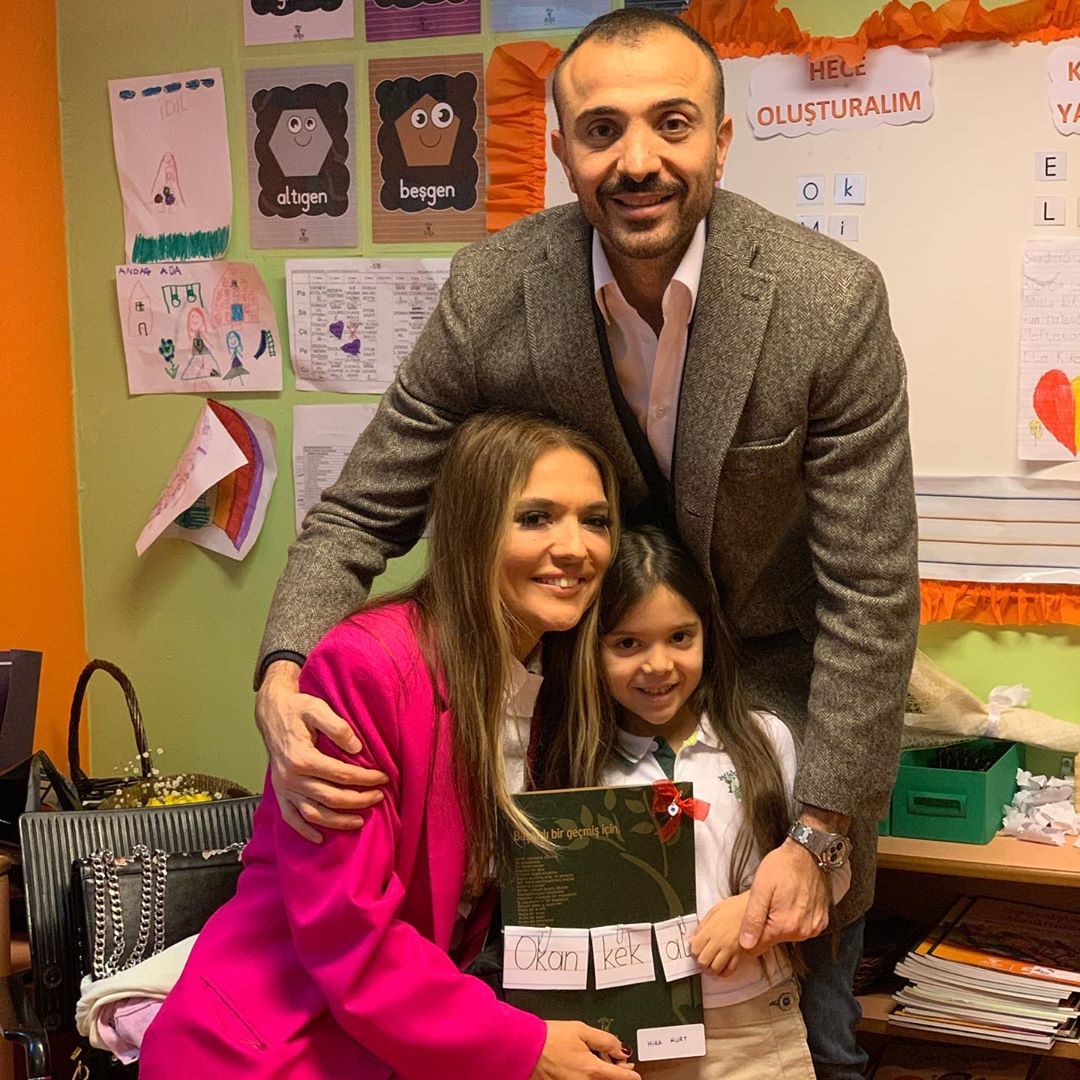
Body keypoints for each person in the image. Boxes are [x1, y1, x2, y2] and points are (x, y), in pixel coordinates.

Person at [254, 9, 920, 1077]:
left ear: (721, 140)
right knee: (571, 1049)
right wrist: (283, 673)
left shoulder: (827, 301)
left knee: (814, 1041)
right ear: (563, 149)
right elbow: (361, 511)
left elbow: (871, 594)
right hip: (572, 749)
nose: (638, 160)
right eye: (603, 129)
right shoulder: (494, 290)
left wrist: (821, 833)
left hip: (779, 754)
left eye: (672, 123)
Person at [140, 412, 637, 1079]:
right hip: (278, 1049)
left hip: (405, 1042)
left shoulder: (557, 683)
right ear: (473, 528)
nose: (575, 547)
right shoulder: (368, 666)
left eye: (595, 521)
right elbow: (349, 932)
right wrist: (523, 1046)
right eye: (536, 518)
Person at [596, 526, 851, 1080]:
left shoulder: (764, 740)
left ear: (707, 635)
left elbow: (829, 876)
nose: (658, 665)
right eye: (627, 643)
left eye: (679, 637)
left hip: (752, 1028)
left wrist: (757, 913)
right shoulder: (579, 763)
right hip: (619, 1034)